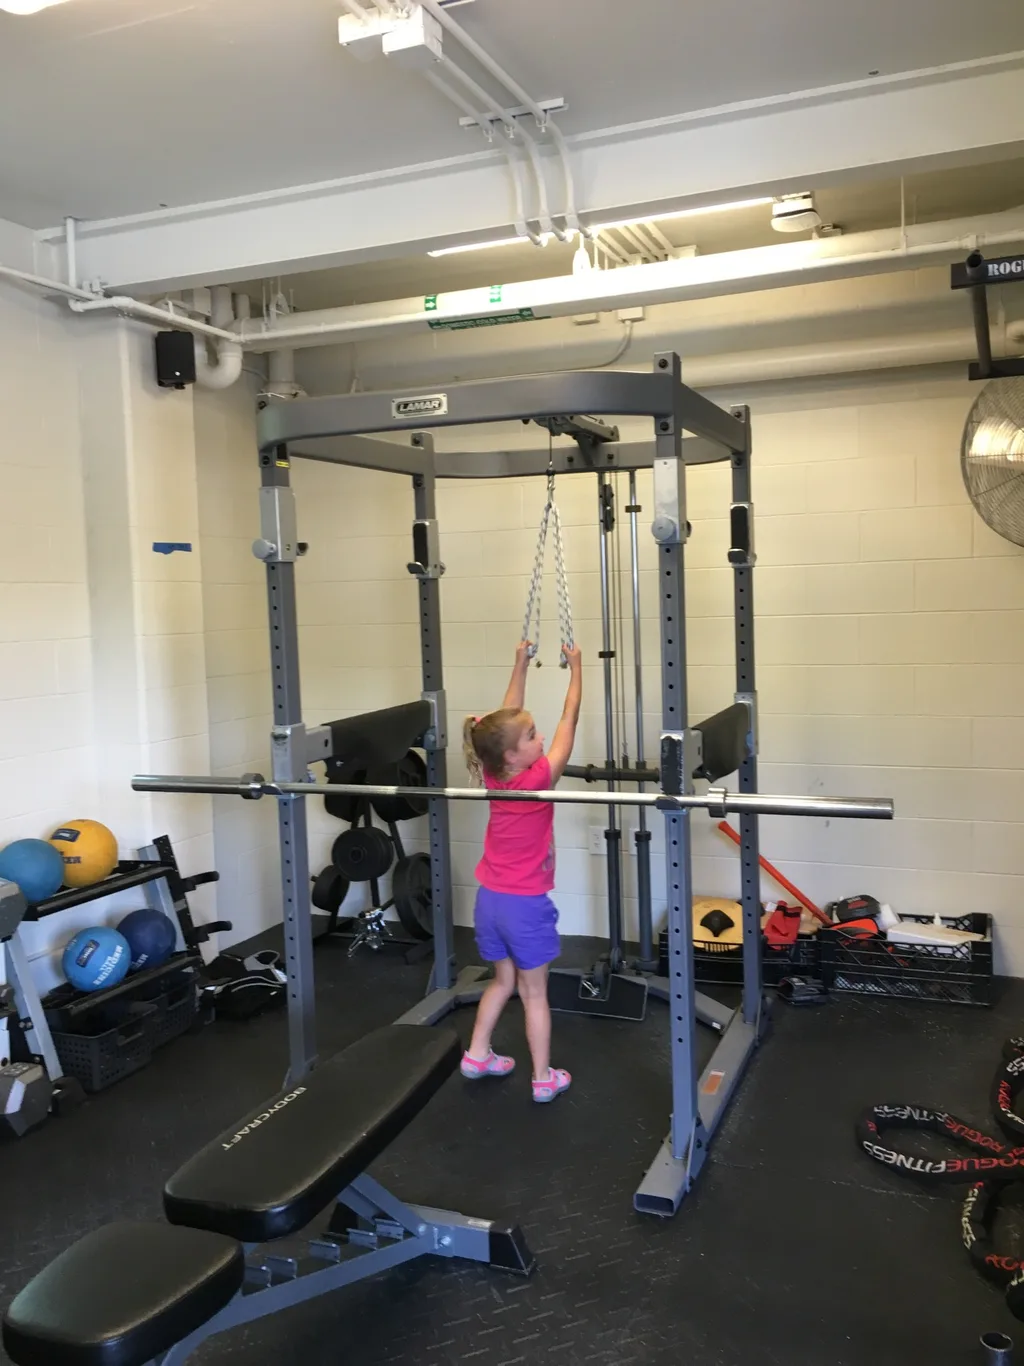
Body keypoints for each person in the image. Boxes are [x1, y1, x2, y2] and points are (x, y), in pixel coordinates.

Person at [460, 638, 583, 1103]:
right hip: (525, 906)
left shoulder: (493, 770)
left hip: (489, 900)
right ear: (513, 755)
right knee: (534, 994)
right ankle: (543, 1078)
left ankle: (477, 1054)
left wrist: (520, 663)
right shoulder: (538, 778)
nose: (541, 738)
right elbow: (569, 720)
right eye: (532, 737)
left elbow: (504, 721)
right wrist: (576, 669)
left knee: (502, 981)